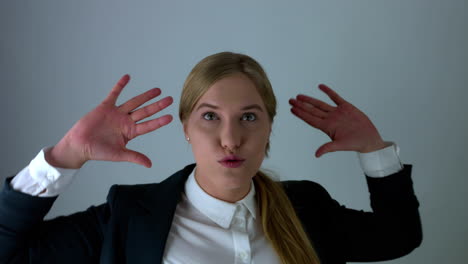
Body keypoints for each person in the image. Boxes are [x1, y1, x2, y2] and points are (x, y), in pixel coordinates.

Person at [0, 52, 422, 264]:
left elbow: (399, 236)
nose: (230, 139)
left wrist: (374, 150)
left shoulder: (307, 207)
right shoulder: (128, 216)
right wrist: (65, 156)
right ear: (185, 127)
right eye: (209, 117)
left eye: (249, 117)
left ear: (270, 127)